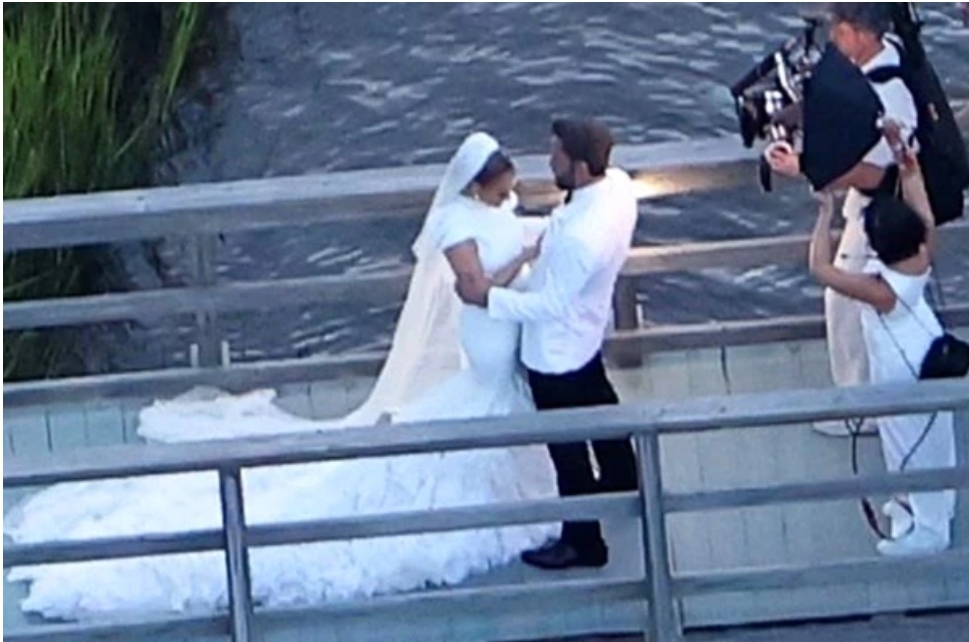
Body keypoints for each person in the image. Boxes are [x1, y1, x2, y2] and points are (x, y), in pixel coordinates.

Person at [3, 132, 561, 620]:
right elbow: (474, 289)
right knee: (477, 413)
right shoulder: (456, 225)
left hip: (506, 331)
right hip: (489, 331)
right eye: (499, 188)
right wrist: (524, 261)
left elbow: (513, 227)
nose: (506, 195)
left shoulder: (496, 209)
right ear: (475, 186)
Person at [456, 118, 639, 570]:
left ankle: (584, 543)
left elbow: (550, 304)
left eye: (557, 155)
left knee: (568, 453)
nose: (549, 160)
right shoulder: (617, 188)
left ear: (580, 167)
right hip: (587, 333)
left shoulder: (580, 238)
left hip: (555, 354)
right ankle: (623, 477)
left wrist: (489, 298)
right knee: (601, 405)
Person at [766, 3, 919, 437]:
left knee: (846, 301)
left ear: (861, 34)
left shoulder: (890, 94)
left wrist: (806, 166)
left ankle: (859, 408)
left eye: (840, 29)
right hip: (876, 209)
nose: (833, 37)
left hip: (881, 214)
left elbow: (878, 171)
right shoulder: (887, 56)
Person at [807, 121, 956, 557]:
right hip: (923, 339)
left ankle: (931, 528)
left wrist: (824, 214)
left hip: (899, 362)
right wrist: (903, 155)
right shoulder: (923, 248)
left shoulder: (881, 290)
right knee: (920, 435)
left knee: (910, 441)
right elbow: (916, 191)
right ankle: (912, 502)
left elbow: (820, 269)